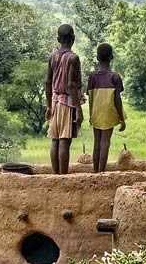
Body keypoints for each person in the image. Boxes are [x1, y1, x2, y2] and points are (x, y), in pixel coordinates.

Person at [44, 23, 83, 174]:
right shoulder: (73, 58)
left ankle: (56, 175)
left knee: (55, 139)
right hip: (67, 103)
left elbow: (48, 82)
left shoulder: (52, 56)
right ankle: (63, 177)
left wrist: (49, 105)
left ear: (58, 39)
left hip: (54, 100)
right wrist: (78, 108)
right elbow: (71, 85)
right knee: (65, 140)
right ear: (73, 38)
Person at [87, 42, 125, 173]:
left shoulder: (92, 76)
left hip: (96, 113)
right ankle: (101, 172)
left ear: (97, 58)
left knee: (97, 143)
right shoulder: (115, 77)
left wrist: (90, 114)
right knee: (105, 143)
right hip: (109, 113)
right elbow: (117, 99)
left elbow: (90, 96)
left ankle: (95, 171)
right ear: (111, 57)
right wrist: (121, 118)